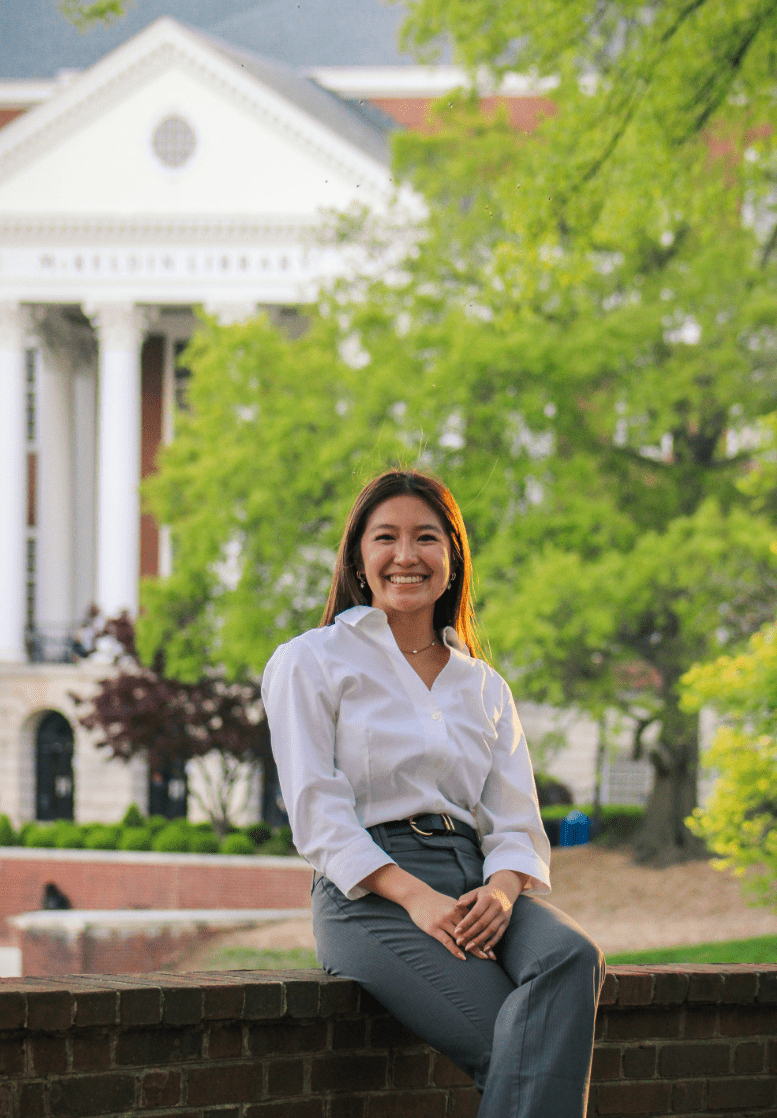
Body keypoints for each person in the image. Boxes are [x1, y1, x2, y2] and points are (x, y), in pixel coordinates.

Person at [261, 470, 605, 1117]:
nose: (405, 555)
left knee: (571, 954)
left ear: (451, 556)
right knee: (516, 1044)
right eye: (384, 537)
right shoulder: (311, 660)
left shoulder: (482, 685)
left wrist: (502, 893)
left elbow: (514, 820)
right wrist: (415, 898)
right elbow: (316, 813)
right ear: (358, 559)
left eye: (425, 537)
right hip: (370, 896)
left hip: (478, 882)